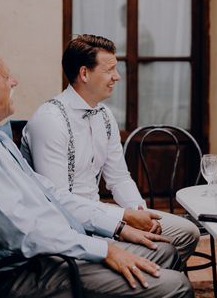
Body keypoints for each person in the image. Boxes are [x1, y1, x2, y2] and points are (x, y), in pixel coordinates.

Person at [0, 45, 194, 298]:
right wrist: (105, 250)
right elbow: (23, 232)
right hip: (19, 274)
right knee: (177, 285)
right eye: (5, 76)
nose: (14, 82)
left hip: (50, 253)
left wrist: (118, 227)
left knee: (166, 252)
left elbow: (49, 193)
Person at [21, 34, 200, 265]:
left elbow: (118, 178)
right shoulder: (50, 120)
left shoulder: (104, 115)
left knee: (187, 233)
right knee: (162, 251)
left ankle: (146, 280)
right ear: (84, 74)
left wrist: (140, 212)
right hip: (70, 229)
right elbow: (58, 201)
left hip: (103, 214)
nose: (117, 77)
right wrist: (123, 218)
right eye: (109, 70)